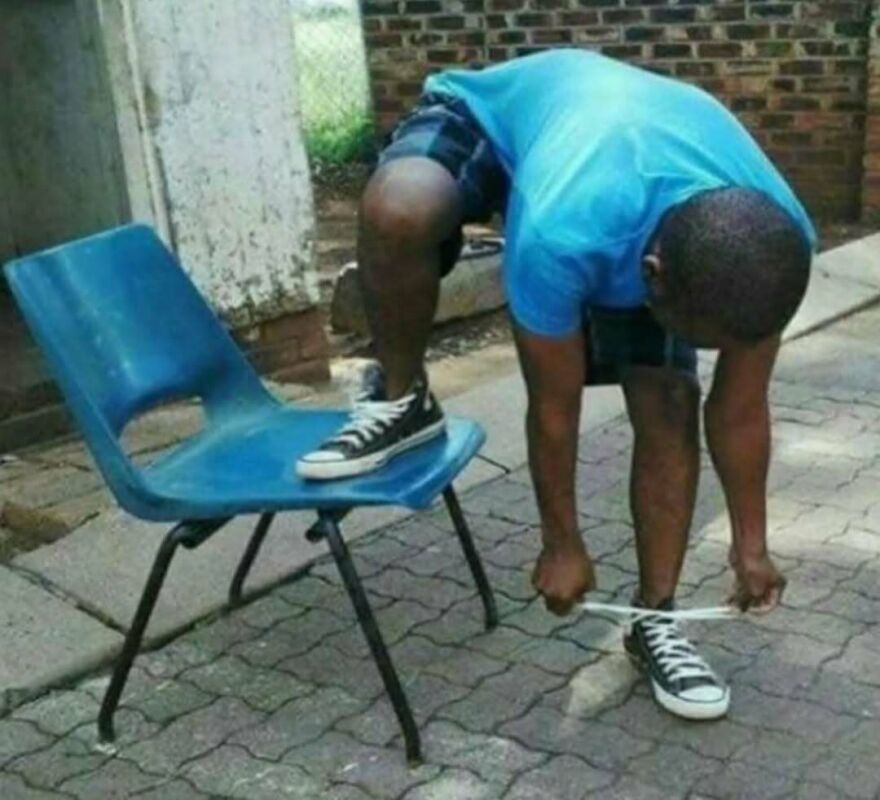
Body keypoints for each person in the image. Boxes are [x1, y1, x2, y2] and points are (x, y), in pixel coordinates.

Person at [297, 50, 815, 720]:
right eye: (692, 331)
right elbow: (553, 407)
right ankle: (405, 397)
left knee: (668, 397)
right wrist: (560, 540)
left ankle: (654, 618)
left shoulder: (771, 246)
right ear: (651, 273)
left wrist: (752, 547)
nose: (699, 349)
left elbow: (740, 411)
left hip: (626, 168)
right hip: (494, 119)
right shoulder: (560, 230)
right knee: (400, 208)